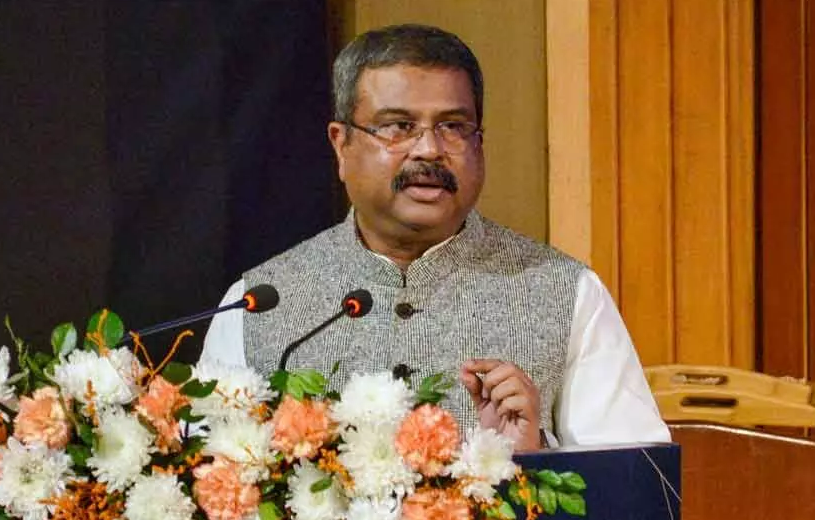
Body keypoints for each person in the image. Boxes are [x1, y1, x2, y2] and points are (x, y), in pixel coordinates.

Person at [201, 23, 668, 451]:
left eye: (453, 127)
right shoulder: (258, 303)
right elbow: (205, 487)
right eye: (399, 126)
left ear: (480, 142)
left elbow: (635, 494)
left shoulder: (565, 291)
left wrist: (537, 455)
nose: (429, 149)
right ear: (341, 145)